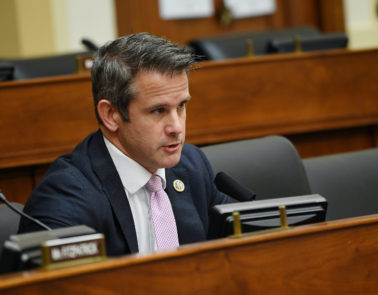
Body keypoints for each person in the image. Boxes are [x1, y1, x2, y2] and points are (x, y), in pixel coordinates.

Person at [18, 33, 228, 256]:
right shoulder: (66, 197)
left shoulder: (192, 165)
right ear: (111, 115)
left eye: (181, 106)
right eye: (158, 110)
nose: (176, 127)